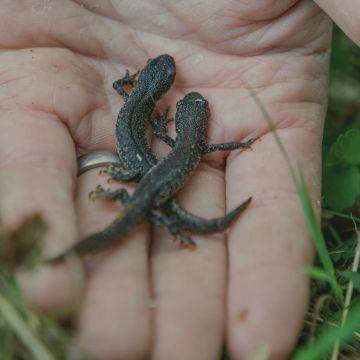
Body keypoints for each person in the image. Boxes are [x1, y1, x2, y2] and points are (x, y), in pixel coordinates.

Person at [0, 1, 358, 359]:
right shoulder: (152, 113)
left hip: (143, 164)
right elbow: (158, 130)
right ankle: (94, 240)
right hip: (144, 165)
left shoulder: (140, 102)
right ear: (158, 88)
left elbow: (134, 103)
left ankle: (105, 229)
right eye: (166, 77)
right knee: (150, 205)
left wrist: (142, 104)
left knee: (147, 203)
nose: (170, 71)